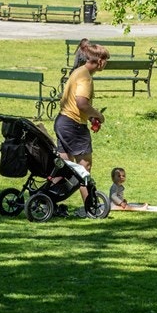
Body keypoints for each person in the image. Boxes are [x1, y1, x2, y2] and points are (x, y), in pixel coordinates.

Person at [49, 42, 108, 207]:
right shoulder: (86, 77)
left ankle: (48, 202)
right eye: (106, 60)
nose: (106, 63)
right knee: (84, 166)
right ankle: (91, 207)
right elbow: (81, 103)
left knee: (63, 167)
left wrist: (89, 118)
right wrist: (98, 115)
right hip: (74, 126)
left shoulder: (78, 72)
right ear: (100, 61)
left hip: (63, 121)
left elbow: (76, 105)